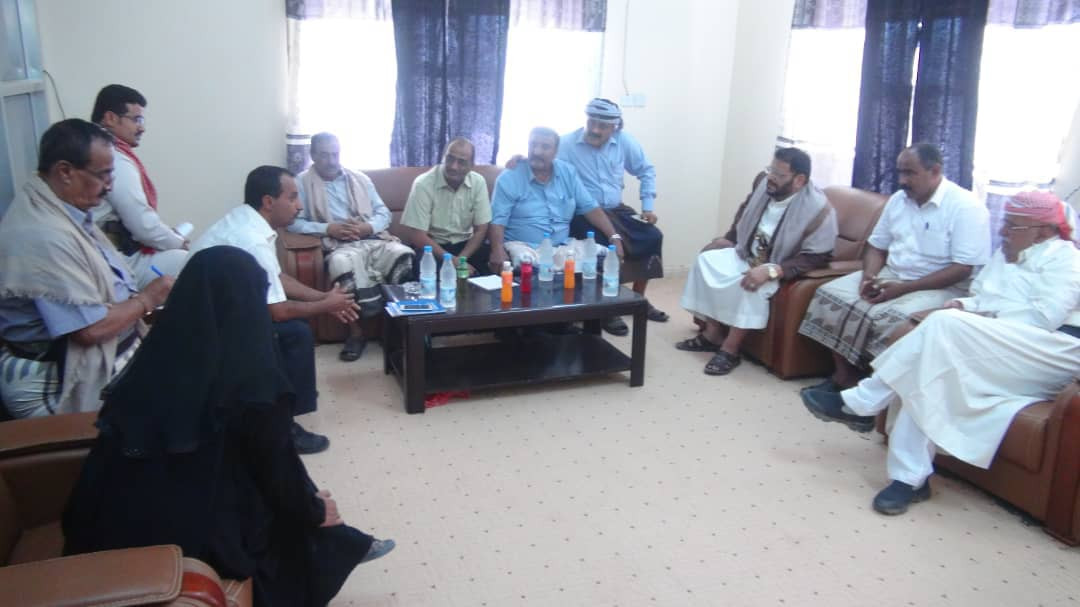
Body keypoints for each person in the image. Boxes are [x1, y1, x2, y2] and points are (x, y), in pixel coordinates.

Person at [62, 246, 395, 607]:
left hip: (102, 525)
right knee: (285, 510)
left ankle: (345, 540)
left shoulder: (155, 358)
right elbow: (275, 475)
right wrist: (315, 510)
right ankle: (340, 542)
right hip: (180, 544)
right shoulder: (254, 383)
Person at [801, 191, 1080, 515]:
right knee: (931, 364)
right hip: (998, 343)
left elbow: (1042, 319)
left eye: (1013, 226)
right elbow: (981, 297)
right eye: (1004, 223)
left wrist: (974, 321)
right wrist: (963, 305)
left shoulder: (1067, 261)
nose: (1003, 231)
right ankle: (908, 480)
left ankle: (862, 402)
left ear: (1043, 232)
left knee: (944, 325)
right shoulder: (1005, 254)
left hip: (1052, 352)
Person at [0, 119, 173, 418]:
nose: (110, 186)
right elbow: (89, 330)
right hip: (56, 382)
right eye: (103, 174)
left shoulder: (62, 210)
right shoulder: (43, 235)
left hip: (105, 352)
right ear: (65, 172)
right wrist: (147, 299)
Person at [192, 166, 359, 454]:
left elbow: (277, 278)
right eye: (292, 198)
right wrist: (325, 306)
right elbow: (277, 312)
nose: (299, 205)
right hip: (206, 328)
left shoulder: (248, 222)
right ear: (269, 201)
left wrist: (324, 297)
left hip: (214, 314)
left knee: (292, 330)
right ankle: (282, 427)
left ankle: (283, 411)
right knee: (294, 334)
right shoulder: (252, 239)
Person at [798, 143, 991, 390]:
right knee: (830, 295)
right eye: (900, 172)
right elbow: (876, 246)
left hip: (942, 286)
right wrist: (869, 277)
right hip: (892, 273)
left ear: (935, 171)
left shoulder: (966, 207)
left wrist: (903, 289)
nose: (902, 180)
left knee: (893, 319)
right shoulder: (899, 200)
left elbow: (962, 268)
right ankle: (844, 377)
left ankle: (875, 389)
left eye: (910, 173)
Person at [677, 147, 837, 376]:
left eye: (779, 174)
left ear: (799, 180)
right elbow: (745, 210)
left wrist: (774, 270)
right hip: (747, 253)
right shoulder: (765, 184)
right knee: (707, 260)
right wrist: (730, 238)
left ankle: (730, 350)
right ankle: (712, 334)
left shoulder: (819, 209)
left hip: (778, 264)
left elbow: (819, 256)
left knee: (751, 284)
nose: (771, 177)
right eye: (771, 170)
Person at [288, 132, 415, 362]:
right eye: (324, 155)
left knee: (404, 254)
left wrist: (367, 227)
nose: (331, 161)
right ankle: (356, 334)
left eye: (335, 154)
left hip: (373, 239)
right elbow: (293, 222)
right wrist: (328, 228)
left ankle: (397, 328)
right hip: (338, 244)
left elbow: (383, 213)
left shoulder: (360, 179)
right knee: (341, 263)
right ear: (312, 155)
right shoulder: (301, 183)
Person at [562, 98, 666, 335]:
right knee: (602, 246)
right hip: (584, 213)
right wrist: (520, 160)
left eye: (603, 126)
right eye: (592, 122)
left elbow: (646, 170)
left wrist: (647, 207)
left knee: (652, 237)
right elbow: (542, 159)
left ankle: (638, 299)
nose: (595, 130)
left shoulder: (624, 142)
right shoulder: (567, 143)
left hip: (617, 209)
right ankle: (607, 307)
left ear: (615, 127)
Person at [90, 84, 190, 288]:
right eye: (136, 119)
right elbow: (143, 226)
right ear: (110, 118)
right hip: (114, 262)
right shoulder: (113, 157)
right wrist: (178, 242)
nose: (142, 127)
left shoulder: (95, 145)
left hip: (105, 253)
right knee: (193, 261)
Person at [489, 127, 625, 275]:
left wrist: (614, 237)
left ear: (556, 151)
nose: (537, 151)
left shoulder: (567, 172)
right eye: (533, 145)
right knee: (526, 265)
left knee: (604, 258)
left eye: (545, 147)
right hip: (524, 247)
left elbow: (590, 207)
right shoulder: (510, 177)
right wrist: (497, 249)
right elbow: (497, 219)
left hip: (563, 247)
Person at [400, 137, 492, 276]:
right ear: (443, 157)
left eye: (461, 162)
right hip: (433, 248)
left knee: (495, 267)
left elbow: (481, 230)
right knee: (428, 273)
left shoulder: (478, 182)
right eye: (450, 159)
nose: (453, 166)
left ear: (471, 165)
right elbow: (418, 236)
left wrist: (461, 260)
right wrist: (452, 262)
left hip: (466, 247)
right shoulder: (423, 184)